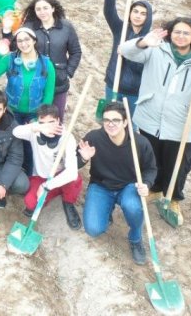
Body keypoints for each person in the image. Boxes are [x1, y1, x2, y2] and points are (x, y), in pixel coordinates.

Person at [120, 18, 191, 224]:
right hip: (150, 119)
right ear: (170, 33)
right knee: (152, 159)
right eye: (177, 32)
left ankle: (174, 198)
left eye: (186, 33)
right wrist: (143, 42)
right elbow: (125, 51)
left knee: (179, 165)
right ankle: (155, 189)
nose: (180, 36)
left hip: (181, 125)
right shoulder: (157, 49)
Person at [79, 102, 156, 265]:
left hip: (128, 187)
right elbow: (74, 162)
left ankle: (135, 238)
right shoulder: (93, 137)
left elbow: (151, 169)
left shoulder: (140, 143)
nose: (110, 124)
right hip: (100, 185)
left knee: (133, 206)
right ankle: (106, 211)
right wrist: (83, 158)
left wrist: (147, 184)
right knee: (93, 229)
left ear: (126, 122)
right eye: (106, 120)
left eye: (116, 120)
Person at [0, 28, 55, 175]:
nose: (24, 43)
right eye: (20, 40)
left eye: (27, 39)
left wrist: (38, 119)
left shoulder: (47, 64)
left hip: (33, 114)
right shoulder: (10, 59)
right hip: (11, 111)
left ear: (34, 40)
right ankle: (3, 173)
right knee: (9, 141)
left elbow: (48, 95)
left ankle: (27, 174)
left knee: (29, 145)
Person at [13, 104, 82, 228]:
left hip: (59, 176)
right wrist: (37, 128)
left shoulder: (67, 137)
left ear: (58, 121)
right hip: (40, 176)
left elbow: (71, 172)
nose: (48, 127)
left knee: (75, 179)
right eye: (43, 123)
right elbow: (16, 131)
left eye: (51, 122)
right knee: (30, 203)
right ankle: (53, 193)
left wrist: (46, 186)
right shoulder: (35, 132)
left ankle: (68, 203)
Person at [20, 0, 81, 119]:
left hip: (59, 82)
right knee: (35, 117)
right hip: (34, 79)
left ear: (53, 8)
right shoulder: (29, 27)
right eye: (38, 9)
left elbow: (76, 52)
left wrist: (68, 72)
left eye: (45, 8)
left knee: (56, 118)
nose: (42, 12)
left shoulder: (66, 27)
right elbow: (17, 48)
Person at [103, 0, 153, 114]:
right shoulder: (121, 29)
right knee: (110, 120)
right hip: (113, 84)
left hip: (133, 92)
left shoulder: (150, 39)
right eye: (135, 11)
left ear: (148, 17)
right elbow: (109, 12)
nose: (138, 15)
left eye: (143, 13)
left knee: (130, 125)